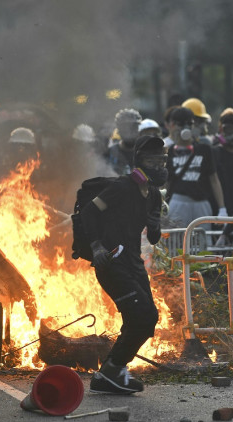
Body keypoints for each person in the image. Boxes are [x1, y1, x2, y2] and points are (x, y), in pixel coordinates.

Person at [80, 135, 166, 394]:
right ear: (139, 162)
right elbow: (89, 212)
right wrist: (96, 247)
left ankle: (112, 373)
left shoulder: (153, 195)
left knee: (147, 319)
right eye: (152, 160)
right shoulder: (122, 187)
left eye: (161, 160)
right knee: (142, 317)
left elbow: (153, 237)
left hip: (133, 262)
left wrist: (155, 224)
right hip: (112, 262)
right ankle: (112, 370)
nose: (159, 166)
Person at [165, 107, 226, 229]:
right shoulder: (169, 152)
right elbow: (166, 183)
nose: (185, 127)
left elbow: (214, 180)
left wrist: (222, 208)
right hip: (178, 202)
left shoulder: (204, 150)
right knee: (177, 241)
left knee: (203, 241)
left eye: (189, 123)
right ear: (171, 125)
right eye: (180, 124)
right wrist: (160, 207)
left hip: (201, 203)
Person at [107, 108, 142, 175]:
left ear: (138, 130)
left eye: (134, 127)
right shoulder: (110, 154)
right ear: (119, 130)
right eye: (125, 127)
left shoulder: (145, 152)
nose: (130, 132)